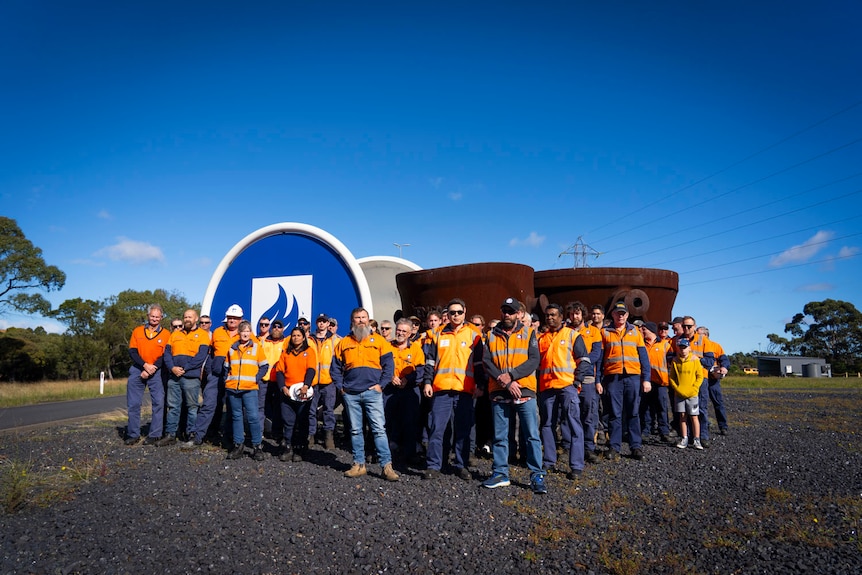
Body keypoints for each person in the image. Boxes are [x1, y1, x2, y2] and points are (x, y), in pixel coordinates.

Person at [482, 297, 544, 493]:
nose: (506, 314)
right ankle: (500, 473)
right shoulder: (491, 334)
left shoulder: (529, 333)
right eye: (504, 310)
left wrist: (512, 376)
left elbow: (534, 360)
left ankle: (536, 475)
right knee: (500, 436)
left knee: (532, 435)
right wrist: (506, 381)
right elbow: (487, 362)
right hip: (500, 390)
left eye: (511, 311)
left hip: (524, 390)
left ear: (519, 314)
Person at [331, 307, 399, 481]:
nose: (361, 320)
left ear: (368, 320)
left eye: (364, 317)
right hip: (351, 394)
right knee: (355, 430)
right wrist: (341, 388)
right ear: (352, 321)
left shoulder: (379, 341)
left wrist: (381, 385)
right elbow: (335, 369)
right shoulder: (343, 343)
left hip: (372, 393)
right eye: (357, 318)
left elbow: (389, 367)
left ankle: (386, 466)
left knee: (378, 430)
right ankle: (358, 465)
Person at [422, 298, 483, 480]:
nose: (455, 315)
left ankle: (461, 465)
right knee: (437, 429)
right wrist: (427, 381)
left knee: (463, 430)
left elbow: (479, 363)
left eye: (459, 312)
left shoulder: (474, 334)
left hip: (464, 390)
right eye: (452, 312)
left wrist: (480, 384)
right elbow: (430, 362)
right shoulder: (438, 334)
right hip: (441, 389)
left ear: (465, 312)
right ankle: (434, 465)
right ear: (446, 315)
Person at [537, 303, 592, 479]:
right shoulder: (541, 339)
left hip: (567, 386)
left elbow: (584, 360)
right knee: (547, 425)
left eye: (553, 315)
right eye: (547, 315)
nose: (550, 318)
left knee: (573, 424)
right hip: (547, 388)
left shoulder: (572, 335)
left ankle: (576, 466)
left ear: (561, 316)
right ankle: (549, 462)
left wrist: (576, 382)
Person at [599, 302, 650, 461]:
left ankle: (636, 446)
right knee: (615, 413)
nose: (620, 316)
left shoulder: (635, 332)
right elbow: (600, 360)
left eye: (623, 313)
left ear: (627, 315)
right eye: (617, 313)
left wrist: (646, 379)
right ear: (613, 314)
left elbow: (644, 358)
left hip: (633, 377)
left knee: (633, 412)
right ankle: (614, 447)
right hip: (613, 378)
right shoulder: (604, 332)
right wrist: (597, 380)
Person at [187, 304, 243, 448]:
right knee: (208, 404)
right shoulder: (217, 332)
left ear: (240, 319)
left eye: (235, 318)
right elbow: (210, 352)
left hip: (235, 376)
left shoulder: (246, 333)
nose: (232, 320)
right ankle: (197, 435)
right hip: (216, 375)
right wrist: (210, 369)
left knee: (232, 408)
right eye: (230, 317)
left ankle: (229, 438)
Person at [159, 309, 210, 446]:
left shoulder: (203, 335)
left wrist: (185, 368)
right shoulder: (175, 334)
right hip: (174, 376)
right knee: (173, 407)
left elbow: (201, 356)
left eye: (190, 317)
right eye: (185, 317)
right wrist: (172, 368)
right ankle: (170, 434)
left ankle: (191, 434)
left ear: (196, 318)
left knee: (192, 407)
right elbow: (167, 354)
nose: (187, 319)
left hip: (191, 377)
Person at [124, 304, 169, 445]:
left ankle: (155, 434)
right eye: (152, 316)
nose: (154, 318)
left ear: (161, 317)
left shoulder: (167, 334)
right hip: (138, 368)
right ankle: (133, 434)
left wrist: (152, 367)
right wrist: (144, 366)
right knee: (133, 404)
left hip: (157, 370)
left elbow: (166, 355)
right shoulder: (137, 331)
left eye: (157, 316)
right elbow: (132, 351)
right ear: (148, 316)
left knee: (158, 403)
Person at [224, 321, 268, 460]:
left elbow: (265, 366)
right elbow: (226, 367)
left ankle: (257, 447)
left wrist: (256, 378)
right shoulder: (231, 349)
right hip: (233, 389)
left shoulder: (256, 347)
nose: (245, 333)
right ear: (239, 332)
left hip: (249, 389)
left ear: (250, 333)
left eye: (248, 331)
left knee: (253, 417)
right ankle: (238, 446)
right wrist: (227, 379)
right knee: (236, 417)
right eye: (243, 331)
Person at [385, 318, 425, 464]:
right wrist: (390, 377)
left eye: (404, 331)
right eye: (399, 330)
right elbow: (379, 365)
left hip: (409, 390)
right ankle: (386, 453)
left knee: (410, 423)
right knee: (387, 421)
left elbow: (420, 370)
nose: (400, 333)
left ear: (409, 333)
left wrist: (407, 379)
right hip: (390, 389)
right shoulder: (387, 346)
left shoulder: (415, 349)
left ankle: (409, 453)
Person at [671, 316, 715, 447]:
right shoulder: (677, 340)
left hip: (699, 379)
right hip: (682, 381)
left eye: (689, 326)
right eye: (684, 326)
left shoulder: (703, 340)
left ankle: (702, 437)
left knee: (700, 410)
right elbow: (670, 356)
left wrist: (697, 360)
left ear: (694, 327)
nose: (686, 329)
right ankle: (686, 437)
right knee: (683, 413)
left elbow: (710, 361)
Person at [274, 327, 317, 461]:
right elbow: (279, 371)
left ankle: (300, 448)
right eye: (293, 335)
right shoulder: (286, 352)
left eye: (299, 335)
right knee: (288, 421)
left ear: (304, 337)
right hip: (288, 392)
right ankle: (288, 447)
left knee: (303, 421)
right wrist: (282, 387)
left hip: (303, 392)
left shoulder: (309, 351)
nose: (296, 337)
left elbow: (311, 369)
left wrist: (306, 385)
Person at [571, 302, 603, 463]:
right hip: (569, 377)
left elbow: (596, 353)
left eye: (577, 314)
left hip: (588, 378)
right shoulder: (566, 332)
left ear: (583, 315)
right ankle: (569, 446)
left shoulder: (594, 332)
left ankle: (588, 448)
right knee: (569, 414)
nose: (574, 317)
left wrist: (582, 364)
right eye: (572, 314)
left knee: (588, 414)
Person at [309, 313, 339, 450]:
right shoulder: (309, 340)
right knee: (311, 410)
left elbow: (340, 361)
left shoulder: (335, 341)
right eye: (319, 321)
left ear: (328, 324)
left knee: (328, 410)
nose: (321, 324)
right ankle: (311, 436)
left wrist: (336, 378)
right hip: (312, 382)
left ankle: (328, 437)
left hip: (329, 381)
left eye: (324, 322)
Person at [640, 321, 672, 443]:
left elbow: (672, 360)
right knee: (645, 408)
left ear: (650, 330)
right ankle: (646, 431)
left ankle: (664, 432)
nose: (642, 332)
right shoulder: (641, 344)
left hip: (661, 382)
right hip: (646, 381)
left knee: (662, 408)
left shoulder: (665, 345)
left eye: (644, 330)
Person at [668, 337, 703, 450]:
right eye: (681, 347)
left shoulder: (695, 359)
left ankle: (697, 439)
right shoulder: (675, 361)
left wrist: (695, 388)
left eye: (685, 347)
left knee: (694, 417)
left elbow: (700, 376)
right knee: (682, 417)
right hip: (679, 394)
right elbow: (672, 377)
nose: (683, 350)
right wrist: (676, 388)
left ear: (689, 348)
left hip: (692, 394)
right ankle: (684, 438)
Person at [260, 319, 287, 445]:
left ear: (282, 329)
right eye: (274, 326)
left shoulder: (286, 342)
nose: (276, 328)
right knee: (262, 407)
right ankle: (261, 431)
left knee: (279, 408)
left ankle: (277, 433)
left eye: (279, 326)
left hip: (279, 381)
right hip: (264, 379)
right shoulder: (263, 341)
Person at [699, 326, 730, 436]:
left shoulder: (715, 346)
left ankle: (723, 426)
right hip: (701, 379)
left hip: (712, 380)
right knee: (701, 404)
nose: (697, 336)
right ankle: (703, 426)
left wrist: (724, 367)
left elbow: (724, 360)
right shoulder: (697, 346)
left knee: (718, 403)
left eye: (699, 334)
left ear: (705, 335)